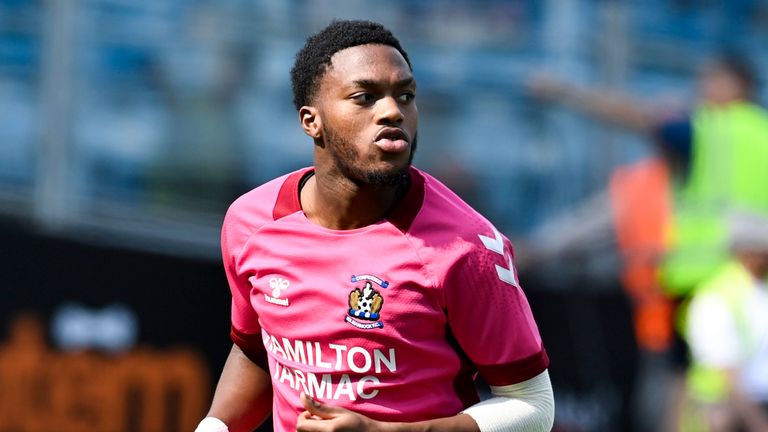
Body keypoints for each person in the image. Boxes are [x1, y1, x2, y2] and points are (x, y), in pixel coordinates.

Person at [195, 20, 554, 432]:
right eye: (365, 97)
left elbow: (534, 407)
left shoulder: (467, 247)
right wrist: (216, 425)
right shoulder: (251, 220)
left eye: (405, 95)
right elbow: (257, 349)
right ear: (312, 121)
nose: (392, 111)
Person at [528, 52, 768, 432]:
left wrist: (566, 91)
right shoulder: (762, 134)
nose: (701, 92)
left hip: (703, 279)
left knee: (695, 391)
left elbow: (641, 117)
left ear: (734, 86)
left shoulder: (713, 129)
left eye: (709, 82)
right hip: (753, 278)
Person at [685, 212, 768, 431]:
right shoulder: (715, 298)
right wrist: (759, 424)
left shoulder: (759, 289)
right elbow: (728, 374)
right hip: (730, 411)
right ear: (746, 251)